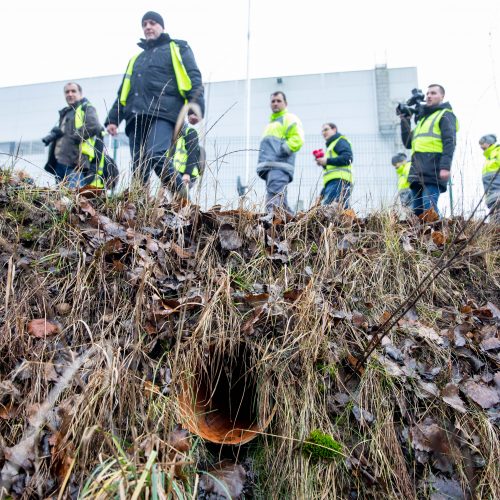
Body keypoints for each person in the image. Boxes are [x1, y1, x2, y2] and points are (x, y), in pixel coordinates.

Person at [105, 11, 204, 189]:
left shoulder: (177, 48)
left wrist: (195, 107)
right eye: (144, 24)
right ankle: (139, 211)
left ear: (162, 26)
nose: (148, 27)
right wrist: (113, 119)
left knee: (156, 155)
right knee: (139, 169)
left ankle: (183, 199)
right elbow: (124, 92)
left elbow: (193, 76)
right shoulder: (136, 59)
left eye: (152, 23)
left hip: (165, 114)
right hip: (135, 118)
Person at [399, 84, 458, 217]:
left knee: (429, 207)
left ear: (442, 96)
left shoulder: (445, 115)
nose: (429, 96)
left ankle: (440, 234)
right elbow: (408, 143)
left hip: (434, 167)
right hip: (417, 169)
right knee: (417, 210)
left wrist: (445, 167)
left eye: (433, 93)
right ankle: (425, 237)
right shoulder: (423, 120)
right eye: (428, 94)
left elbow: (450, 142)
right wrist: (405, 120)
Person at [43, 82, 104, 188]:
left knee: (74, 198)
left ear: (80, 93)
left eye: (73, 91)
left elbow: (93, 125)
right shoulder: (66, 113)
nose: (70, 94)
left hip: (75, 163)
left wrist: (72, 137)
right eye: (67, 92)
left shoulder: (86, 107)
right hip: (59, 164)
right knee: (61, 200)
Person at [256, 91, 304, 214]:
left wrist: (283, 150)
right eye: (273, 101)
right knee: (281, 202)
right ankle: (292, 224)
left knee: (274, 200)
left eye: (278, 101)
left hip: (279, 166)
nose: (275, 103)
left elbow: (297, 138)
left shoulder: (289, 118)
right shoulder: (272, 124)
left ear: (285, 103)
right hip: (272, 167)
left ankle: (270, 227)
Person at [314, 123, 353, 207]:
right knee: (334, 210)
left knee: (332, 210)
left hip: (339, 181)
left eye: (326, 129)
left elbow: (348, 158)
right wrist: (323, 163)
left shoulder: (339, 141)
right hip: (333, 182)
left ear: (334, 129)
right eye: (322, 131)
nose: (324, 132)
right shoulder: (332, 145)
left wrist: (327, 161)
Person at [172, 110, 205, 198]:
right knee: (176, 200)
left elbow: (192, 154)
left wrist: (187, 174)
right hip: (175, 173)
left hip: (186, 174)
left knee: (181, 198)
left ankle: (190, 210)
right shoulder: (175, 136)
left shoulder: (190, 132)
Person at [479, 134, 500, 223]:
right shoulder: (488, 159)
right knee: (495, 226)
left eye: (482, 143)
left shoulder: (497, 152)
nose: (480, 146)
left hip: (498, 197)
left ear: (489, 143)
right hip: (492, 200)